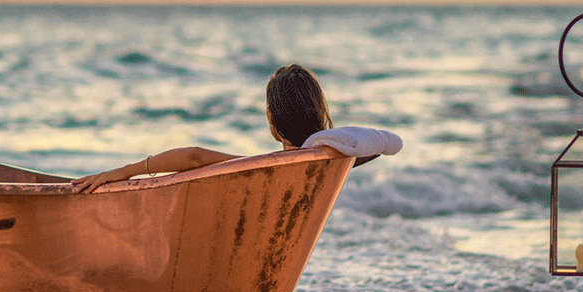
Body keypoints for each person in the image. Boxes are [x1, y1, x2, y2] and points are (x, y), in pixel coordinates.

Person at [71, 63, 374, 193]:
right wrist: (331, 141)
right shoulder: (334, 162)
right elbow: (384, 144)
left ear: (271, 120)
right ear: (321, 112)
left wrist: (124, 171)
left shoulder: (265, 169)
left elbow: (194, 156)